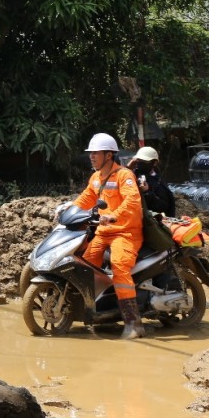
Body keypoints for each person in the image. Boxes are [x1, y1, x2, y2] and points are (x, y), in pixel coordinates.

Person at [73, 133, 146, 339]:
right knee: (86, 264)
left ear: (108, 155)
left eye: (96, 153)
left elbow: (132, 201)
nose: (92, 157)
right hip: (103, 232)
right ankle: (98, 308)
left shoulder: (124, 175)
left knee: (119, 265)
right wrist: (66, 209)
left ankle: (134, 322)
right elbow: (86, 197)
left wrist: (114, 216)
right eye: (91, 153)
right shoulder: (96, 177)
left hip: (125, 232)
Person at [129, 146, 176, 217]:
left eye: (144, 161)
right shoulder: (133, 174)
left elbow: (164, 207)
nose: (140, 164)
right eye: (139, 161)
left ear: (154, 163)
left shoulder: (158, 182)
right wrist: (128, 167)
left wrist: (147, 192)